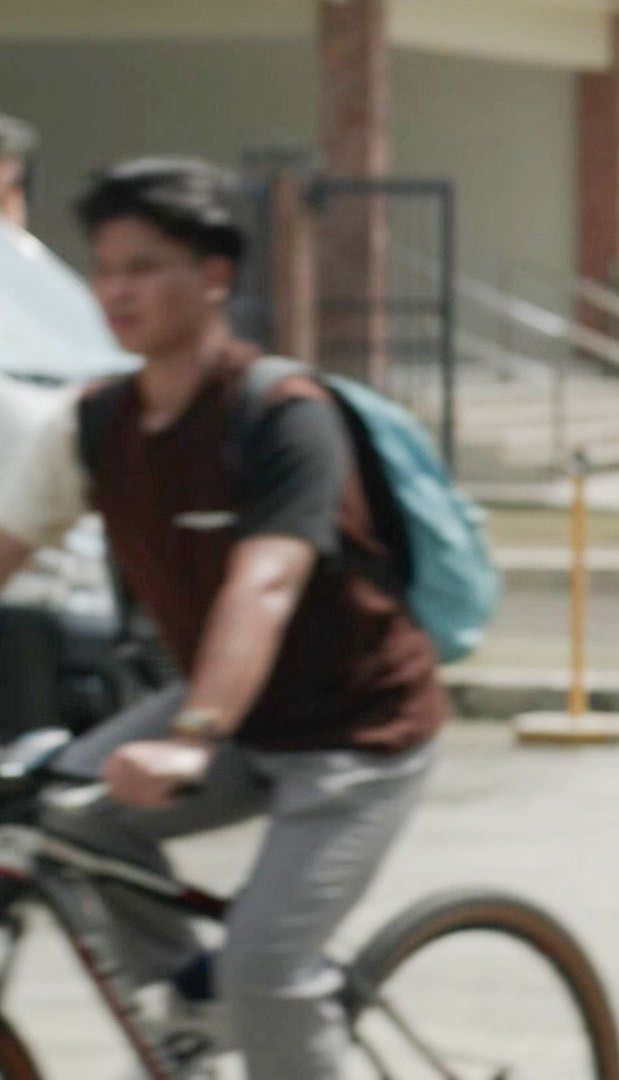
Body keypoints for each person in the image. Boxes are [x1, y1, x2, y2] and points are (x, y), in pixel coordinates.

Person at [0, 157, 445, 1079]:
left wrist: (193, 736)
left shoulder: (283, 415)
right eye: (105, 268)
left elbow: (265, 585)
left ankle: (241, 1001)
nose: (117, 290)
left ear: (214, 274)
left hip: (355, 731)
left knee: (266, 972)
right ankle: (195, 1014)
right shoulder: (96, 425)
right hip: (228, 711)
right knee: (65, 823)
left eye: (144, 267)